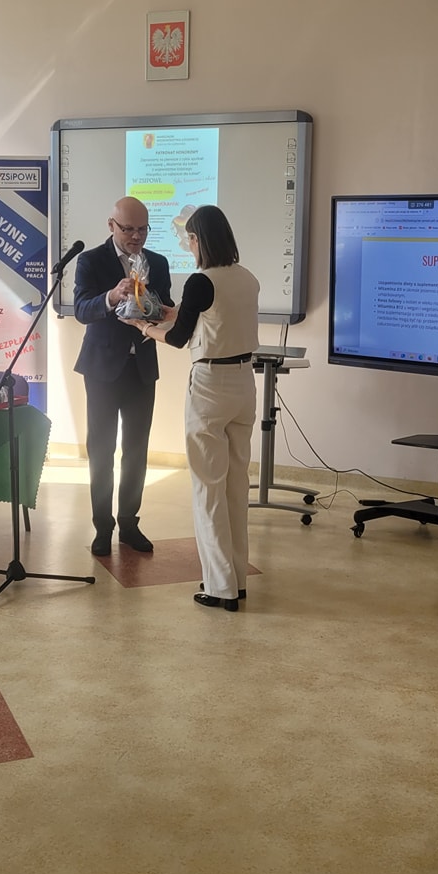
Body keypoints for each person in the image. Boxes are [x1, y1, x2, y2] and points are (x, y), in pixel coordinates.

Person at [123, 205, 259, 612]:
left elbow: (180, 338)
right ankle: (236, 578)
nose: (189, 245)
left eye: (190, 239)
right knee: (235, 487)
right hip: (244, 385)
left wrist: (145, 326)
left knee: (208, 489)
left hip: (211, 388)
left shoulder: (201, 280)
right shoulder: (247, 277)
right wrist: (173, 312)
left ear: (199, 240)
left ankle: (220, 588)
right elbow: (214, 318)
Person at [73, 197, 172, 557]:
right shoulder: (90, 260)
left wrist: (151, 309)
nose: (136, 236)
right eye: (128, 229)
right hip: (102, 369)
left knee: (136, 450)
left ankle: (129, 523)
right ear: (111, 225)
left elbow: (164, 309)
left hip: (141, 368)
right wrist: (113, 297)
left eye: (143, 229)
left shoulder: (157, 263)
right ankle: (103, 526)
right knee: (101, 450)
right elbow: (81, 309)